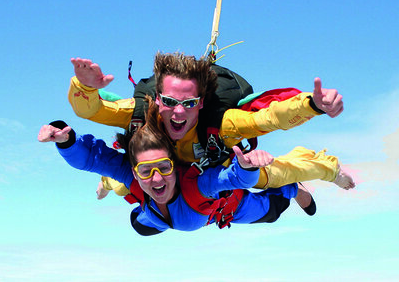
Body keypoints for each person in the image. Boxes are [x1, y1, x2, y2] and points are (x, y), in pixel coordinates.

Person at [68, 53, 354, 206]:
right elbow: (91, 109)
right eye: (169, 102)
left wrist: (311, 105)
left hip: (215, 166)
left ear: (201, 102)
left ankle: (326, 167)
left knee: (272, 177)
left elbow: (268, 118)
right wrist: (85, 87)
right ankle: (105, 184)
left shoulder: (222, 123)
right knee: (121, 181)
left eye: (189, 103)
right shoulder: (139, 112)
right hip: (161, 168)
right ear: (156, 99)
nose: (179, 112)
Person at [37, 99, 307, 236]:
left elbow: (230, 179)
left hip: (227, 208)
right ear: (134, 170)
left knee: (272, 212)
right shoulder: (130, 177)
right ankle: (108, 184)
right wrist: (66, 139)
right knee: (138, 223)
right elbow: (91, 158)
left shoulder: (196, 185)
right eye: (145, 171)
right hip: (159, 216)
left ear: (174, 165)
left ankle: (294, 189)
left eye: (164, 168)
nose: (157, 178)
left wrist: (246, 168)